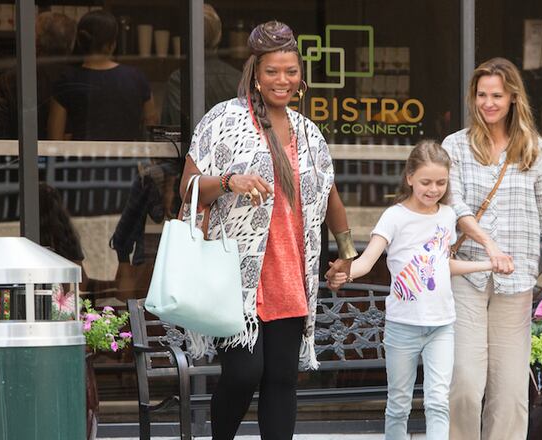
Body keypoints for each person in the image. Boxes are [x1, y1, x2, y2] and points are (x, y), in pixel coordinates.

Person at [178, 21, 357, 440]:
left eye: (290, 72)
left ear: (301, 77)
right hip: (236, 275)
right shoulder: (224, 118)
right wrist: (227, 181)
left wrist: (347, 252)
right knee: (244, 373)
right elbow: (186, 188)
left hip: (290, 273)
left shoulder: (308, 132)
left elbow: (329, 193)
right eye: (272, 71)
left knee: (281, 380)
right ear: (255, 74)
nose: (283, 80)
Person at [326, 141, 507, 440]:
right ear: (409, 177)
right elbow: (367, 261)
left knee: (438, 402)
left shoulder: (448, 216)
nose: (433, 189)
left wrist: (488, 265)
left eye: (441, 182)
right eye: (426, 182)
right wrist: (344, 273)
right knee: (398, 405)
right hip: (402, 326)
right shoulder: (394, 217)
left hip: (442, 325)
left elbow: (442, 265)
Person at [441, 57, 542, 440]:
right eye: (481, 95)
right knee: (464, 380)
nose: (488, 103)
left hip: (517, 283)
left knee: (511, 391)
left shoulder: (534, 149)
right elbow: (455, 205)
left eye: (497, 95)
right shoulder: (457, 146)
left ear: (513, 97)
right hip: (468, 275)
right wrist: (488, 245)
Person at [48, 9, 156, 140]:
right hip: (127, 159)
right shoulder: (137, 77)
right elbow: (152, 123)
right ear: (112, 44)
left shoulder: (67, 80)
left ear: (80, 41)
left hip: (81, 159)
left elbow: (55, 140)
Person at [0, 11, 76, 139]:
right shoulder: (78, 77)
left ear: (37, 44)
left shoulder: (14, 78)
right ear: (70, 44)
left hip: (21, 155)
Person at [160, 4, 243, 127]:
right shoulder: (240, 79)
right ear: (219, 36)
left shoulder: (179, 79)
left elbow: (174, 131)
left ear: (187, 37)